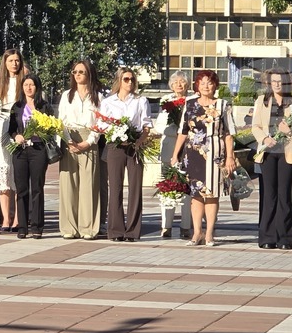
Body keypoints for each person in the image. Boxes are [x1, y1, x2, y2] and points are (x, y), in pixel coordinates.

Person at [170, 70, 236, 247]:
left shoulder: (223, 105)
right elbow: (183, 131)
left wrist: (230, 156)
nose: (206, 86)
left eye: (210, 82)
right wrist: (175, 154)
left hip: (215, 154)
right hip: (193, 154)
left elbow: (229, 133)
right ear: (197, 85)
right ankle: (197, 232)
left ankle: (209, 233)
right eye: (202, 82)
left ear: (215, 85)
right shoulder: (190, 104)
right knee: (196, 194)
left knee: (212, 194)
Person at [251, 68, 292, 249]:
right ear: (268, 83)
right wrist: (264, 138)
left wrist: (289, 131)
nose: (277, 84)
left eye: (280, 81)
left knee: (286, 196)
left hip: (288, 153)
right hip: (268, 152)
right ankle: (267, 237)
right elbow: (256, 126)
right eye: (274, 81)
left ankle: (285, 238)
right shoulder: (262, 101)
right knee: (269, 196)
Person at [100, 67, 152, 241]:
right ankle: (115, 230)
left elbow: (146, 125)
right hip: (115, 146)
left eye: (132, 79)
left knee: (135, 188)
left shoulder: (141, 101)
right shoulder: (108, 102)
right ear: (119, 81)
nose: (129, 82)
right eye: (126, 79)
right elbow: (102, 124)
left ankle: (132, 231)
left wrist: (139, 141)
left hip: (135, 145)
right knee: (115, 188)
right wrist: (114, 132)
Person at [57, 60, 103, 239]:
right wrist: (68, 141)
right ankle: (69, 228)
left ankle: (88, 228)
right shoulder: (66, 95)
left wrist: (90, 141)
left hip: (89, 139)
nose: (77, 75)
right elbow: (60, 121)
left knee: (89, 186)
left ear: (89, 74)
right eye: (75, 72)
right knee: (69, 185)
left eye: (81, 72)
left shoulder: (98, 97)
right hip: (69, 138)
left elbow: (101, 122)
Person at [9, 73, 53, 239]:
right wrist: (16, 136)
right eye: (26, 85)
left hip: (38, 150)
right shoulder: (17, 106)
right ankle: (22, 226)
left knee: (37, 188)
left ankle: (37, 226)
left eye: (32, 85)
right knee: (21, 189)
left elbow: (51, 129)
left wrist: (39, 133)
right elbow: (11, 129)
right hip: (20, 151)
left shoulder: (44, 106)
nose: (28, 88)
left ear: (37, 87)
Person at [0, 49, 23, 232]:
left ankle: (18, 218)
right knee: (3, 175)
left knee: (17, 174)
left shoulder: (24, 82)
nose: (14, 64)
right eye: (11, 60)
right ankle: (5, 219)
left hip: (18, 127)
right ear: (5, 63)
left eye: (17, 60)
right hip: (0, 128)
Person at [158, 71, 193, 238]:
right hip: (168, 150)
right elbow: (159, 127)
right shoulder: (166, 101)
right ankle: (166, 225)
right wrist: (175, 128)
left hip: (187, 151)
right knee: (167, 189)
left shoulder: (192, 101)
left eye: (182, 81)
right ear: (171, 85)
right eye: (176, 82)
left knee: (187, 190)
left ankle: (186, 226)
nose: (179, 84)